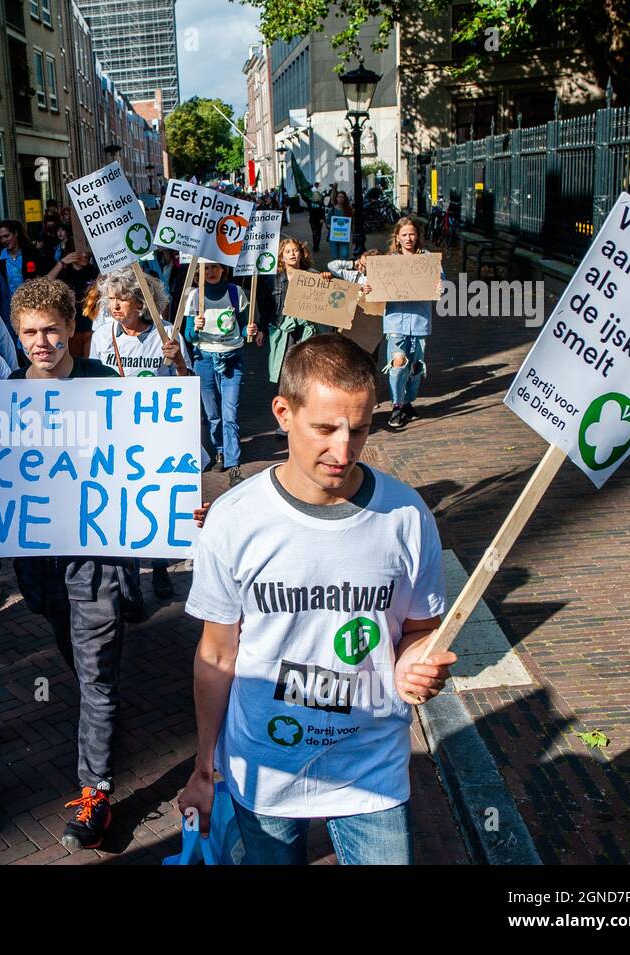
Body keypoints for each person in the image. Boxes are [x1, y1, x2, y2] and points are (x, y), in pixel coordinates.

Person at [178, 334, 457, 865]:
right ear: (284, 412)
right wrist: (203, 765)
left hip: (370, 766)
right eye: (325, 429)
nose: (344, 451)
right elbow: (217, 655)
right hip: (266, 764)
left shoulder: (407, 516)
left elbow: (421, 629)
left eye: (360, 428)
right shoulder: (234, 520)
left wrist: (416, 666)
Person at [0, 278, 137, 851]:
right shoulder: (3, 391)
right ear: (17, 333)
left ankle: (94, 788)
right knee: (74, 649)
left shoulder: (101, 382)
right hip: (37, 562)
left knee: (95, 666)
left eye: (51, 330)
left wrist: (172, 499)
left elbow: (145, 455)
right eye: (29, 333)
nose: (41, 342)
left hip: (94, 553)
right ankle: (104, 710)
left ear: (70, 326)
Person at [90, 268, 191, 602]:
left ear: (142, 302)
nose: (116, 306)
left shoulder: (164, 337)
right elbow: (92, 379)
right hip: (115, 431)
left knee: (154, 501)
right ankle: (130, 579)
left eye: (124, 298)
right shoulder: (102, 335)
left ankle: (160, 566)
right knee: (123, 505)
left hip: (154, 433)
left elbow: (186, 385)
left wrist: (177, 364)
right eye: (112, 299)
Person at [184, 260, 250, 488]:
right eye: (206, 268)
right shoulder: (194, 297)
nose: (211, 272)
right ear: (199, 273)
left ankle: (233, 462)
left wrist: (250, 330)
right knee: (213, 414)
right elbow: (189, 336)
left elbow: (243, 327)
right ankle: (220, 451)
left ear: (224, 269)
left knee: (229, 412)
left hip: (232, 358)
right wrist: (195, 327)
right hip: (204, 360)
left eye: (215, 267)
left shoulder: (235, 292)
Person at [380, 218, 444, 429]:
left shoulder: (427, 260)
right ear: (397, 237)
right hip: (395, 321)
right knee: (398, 363)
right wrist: (371, 289)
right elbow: (378, 286)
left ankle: (408, 401)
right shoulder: (389, 261)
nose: (408, 238)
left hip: (419, 320)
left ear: (417, 236)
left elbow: (439, 283)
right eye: (404, 235)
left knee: (416, 366)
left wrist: (439, 287)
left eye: (412, 234)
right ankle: (397, 405)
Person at [261, 239, 321, 403]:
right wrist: (262, 329)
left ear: (301, 254)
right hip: (282, 329)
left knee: (306, 370)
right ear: (281, 257)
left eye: (295, 251)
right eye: (288, 252)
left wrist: (327, 278)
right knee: (284, 370)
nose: (292, 254)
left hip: (306, 330)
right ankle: (286, 411)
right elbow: (266, 307)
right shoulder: (273, 280)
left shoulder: (313, 275)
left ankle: (305, 408)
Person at [0, 219, 43, 302]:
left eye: (7, 236)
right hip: (10, 307)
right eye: (1, 237)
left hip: (32, 303)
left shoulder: (30, 255)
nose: (3, 240)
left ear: (16, 233)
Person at [329, 191, 354, 261]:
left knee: (344, 256)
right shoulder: (332, 210)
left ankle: (343, 271)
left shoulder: (348, 210)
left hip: (344, 237)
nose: (340, 199)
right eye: (339, 197)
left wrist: (353, 235)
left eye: (342, 197)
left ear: (345, 198)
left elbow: (352, 223)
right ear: (336, 198)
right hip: (334, 237)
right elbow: (328, 223)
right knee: (335, 256)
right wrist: (333, 228)